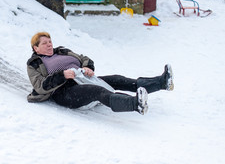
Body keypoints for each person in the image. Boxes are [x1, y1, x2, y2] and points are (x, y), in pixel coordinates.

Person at [26, 32, 174, 115]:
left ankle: (162, 82)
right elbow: (40, 86)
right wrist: (62, 75)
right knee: (96, 91)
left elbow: (84, 58)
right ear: (36, 48)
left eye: (50, 41)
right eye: (44, 43)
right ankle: (135, 104)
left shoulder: (61, 51)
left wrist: (87, 66)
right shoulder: (35, 64)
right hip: (64, 91)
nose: (49, 44)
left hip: (83, 78)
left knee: (117, 79)